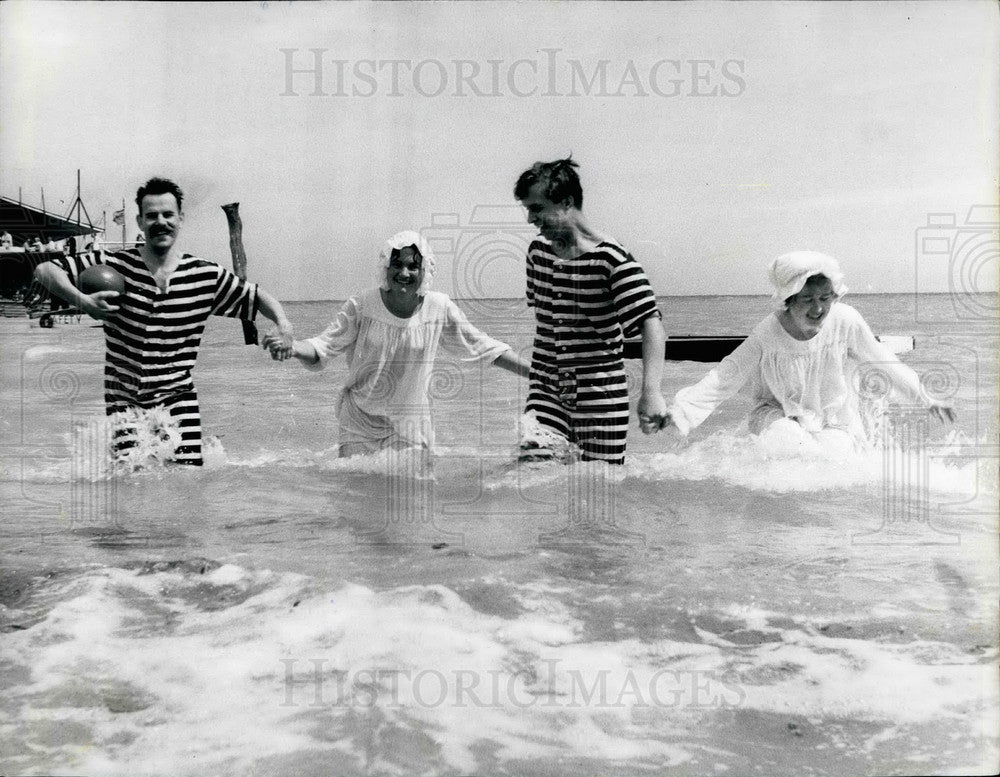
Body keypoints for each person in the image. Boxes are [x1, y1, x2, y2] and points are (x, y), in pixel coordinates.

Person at [33, 177, 294, 465]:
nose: (161, 222)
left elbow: (257, 297)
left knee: (188, 480)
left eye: (168, 215)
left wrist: (283, 325)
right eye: (152, 215)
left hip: (179, 396)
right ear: (140, 221)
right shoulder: (114, 264)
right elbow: (44, 270)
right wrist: (84, 302)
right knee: (132, 483)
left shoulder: (204, 275)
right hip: (124, 400)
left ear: (180, 219)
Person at [263, 231, 530, 457]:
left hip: (412, 427)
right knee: (356, 506)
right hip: (360, 422)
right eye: (397, 265)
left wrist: (538, 374)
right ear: (385, 268)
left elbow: (484, 348)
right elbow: (323, 347)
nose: (404, 273)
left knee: (413, 507)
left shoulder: (439, 308)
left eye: (413, 266)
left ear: (424, 270)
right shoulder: (362, 305)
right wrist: (293, 347)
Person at [664, 251, 956, 448]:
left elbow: (883, 361)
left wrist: (924, 397)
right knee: (788, 441)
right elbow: (726, 376)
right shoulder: (768, 332)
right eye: (807, 299)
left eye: (826, 297)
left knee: (835, 453)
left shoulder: (845, 320)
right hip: (776, 415)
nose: (818, 309)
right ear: (787, 300)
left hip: (833, 419)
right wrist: (681, 413)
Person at [513, 157, 667, 465]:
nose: (530, 219)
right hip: (546, 392)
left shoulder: (613, 260)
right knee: (533, 478)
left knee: (596, 494)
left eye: (537, 208)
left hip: (601, 401)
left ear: (567, 202)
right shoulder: (537, 254)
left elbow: (651, 325)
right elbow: (547, 327)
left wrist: (651, 392)